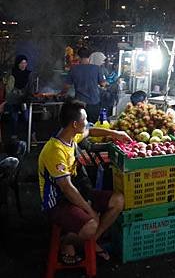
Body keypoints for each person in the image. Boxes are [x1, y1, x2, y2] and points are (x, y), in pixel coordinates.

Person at [38, 98, 131, 264]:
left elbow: (91, 131)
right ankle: (65, 242)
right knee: (91, 223)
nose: (87, 122)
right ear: (74, 124)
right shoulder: (55, 151)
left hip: (77, 192)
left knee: (118, 200)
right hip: (57, 203)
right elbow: (67, 189)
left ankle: (91, 240)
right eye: (85, 119)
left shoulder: (72, 135)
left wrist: (115, 134)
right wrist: (90, 211)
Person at [65, 48, 107, 123]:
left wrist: (62, 93)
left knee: (80, 127)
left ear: (78, 56)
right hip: (94, 102)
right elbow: (103, 84)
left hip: (79, 104)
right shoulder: (96, 68)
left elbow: (67, 86)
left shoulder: (74, 69)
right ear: (89, 56)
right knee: (92, 126)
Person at [4, 55, 34, 138]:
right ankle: (14, 137)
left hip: (24, 100)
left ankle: (32, 135)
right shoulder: (12, 73)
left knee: (27, 117)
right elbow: (8, 86)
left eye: (25, 63)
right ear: (18, 63)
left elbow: (30, 87)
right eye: (21, 63)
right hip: (13, 100)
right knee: (14, 118)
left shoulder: (28, 74)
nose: (23, 65)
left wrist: (29, 96)